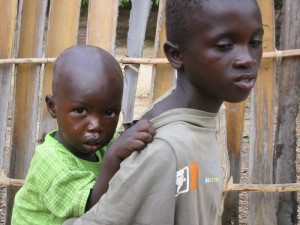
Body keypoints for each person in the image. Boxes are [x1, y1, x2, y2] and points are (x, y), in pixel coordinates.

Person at [64, 0, 264, 224]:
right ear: (176, 55)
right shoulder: (164, 150)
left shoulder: (201, 120)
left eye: (255, 42)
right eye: (225, 45)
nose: (247, 58)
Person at [11, 45, 155, 225]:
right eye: (80, 110)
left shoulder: (102, 146)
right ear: (53, 107)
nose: (96, 126)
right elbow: (92, 207)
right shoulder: (50, 160)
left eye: (109, 113)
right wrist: (113, 157)